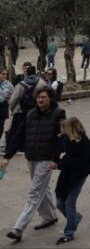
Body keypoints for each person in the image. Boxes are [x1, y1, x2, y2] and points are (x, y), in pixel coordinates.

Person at [1, 84, 66, 242]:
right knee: (43, 187)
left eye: (43, 97)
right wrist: (8, 156)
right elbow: (20, 134)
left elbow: (63, 137)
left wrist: (56, 159)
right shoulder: (30, 113)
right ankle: (50, 216)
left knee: (35, 191)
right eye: (38, 97)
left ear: (50, 98)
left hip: (47, 158)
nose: (40, 100)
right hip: (31, 157)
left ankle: (18, 228)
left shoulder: (59, 113)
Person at [54, 116, 90, 245]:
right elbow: (60, 153)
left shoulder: (84, 143)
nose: (63, 131)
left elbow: (80, 163)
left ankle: (69, 233)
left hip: (77, 177)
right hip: (66, 175)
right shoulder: (67, 139)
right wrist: (58, 160)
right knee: (60, 203)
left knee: (70, 204)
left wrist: (64, 158)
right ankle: (76, 218)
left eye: (65, 128)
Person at [6, 64, 41, 156]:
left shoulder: (21, 84)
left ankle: (11, 147)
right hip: (35, 111)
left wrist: (11, 109)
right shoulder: (41, 83)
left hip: (20, 111)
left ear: (26, 73)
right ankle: (26, 147)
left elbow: (13, 99)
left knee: (15, 130)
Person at [0, 70, 12, 139]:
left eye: (6, 74)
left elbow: (12, 94)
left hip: (3, 106)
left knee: (1, 125)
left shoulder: (9, 84)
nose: (4, 76)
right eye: (2, 74)